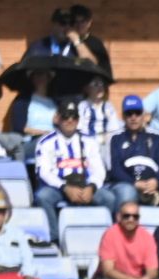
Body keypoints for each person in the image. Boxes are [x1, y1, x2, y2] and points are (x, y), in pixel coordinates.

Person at [32, 101, 106, 237]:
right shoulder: (46, 142)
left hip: (85, 185)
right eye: (65, 117)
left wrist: (92, 187)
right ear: (58, 118)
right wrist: (65, 187)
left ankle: (103, 238)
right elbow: (43, 173)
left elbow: (99, 170)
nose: (70, 120)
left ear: (78, 120)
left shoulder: (89, 141)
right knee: (42, 197)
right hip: (58, 187)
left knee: (109, 198)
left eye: (74, 117)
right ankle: (54, 239)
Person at [104, 95, 159, 211]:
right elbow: (115, 169)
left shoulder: (155, 138)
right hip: (126, 183)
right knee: (127, 192)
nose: (133, 117)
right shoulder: (115, 139)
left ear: (143, 115)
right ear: (123, 116)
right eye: (129, 114)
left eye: (137, 113)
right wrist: (134, 183)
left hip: (153, 183)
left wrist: (156, 181)